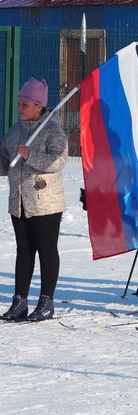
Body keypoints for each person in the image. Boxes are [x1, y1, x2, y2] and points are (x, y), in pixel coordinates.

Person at [0, 79, 68, 321]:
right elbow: (5, 161)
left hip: (45, 203)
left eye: (25, 104)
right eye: (19, 103)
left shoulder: (52, 130)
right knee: (23, 250)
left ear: (39, 106)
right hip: (18, 201)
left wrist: (31, 155)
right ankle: (20, 301)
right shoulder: (15, 130)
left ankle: (46, 301)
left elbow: (58, 161)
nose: (19, 108)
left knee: (46, 250)